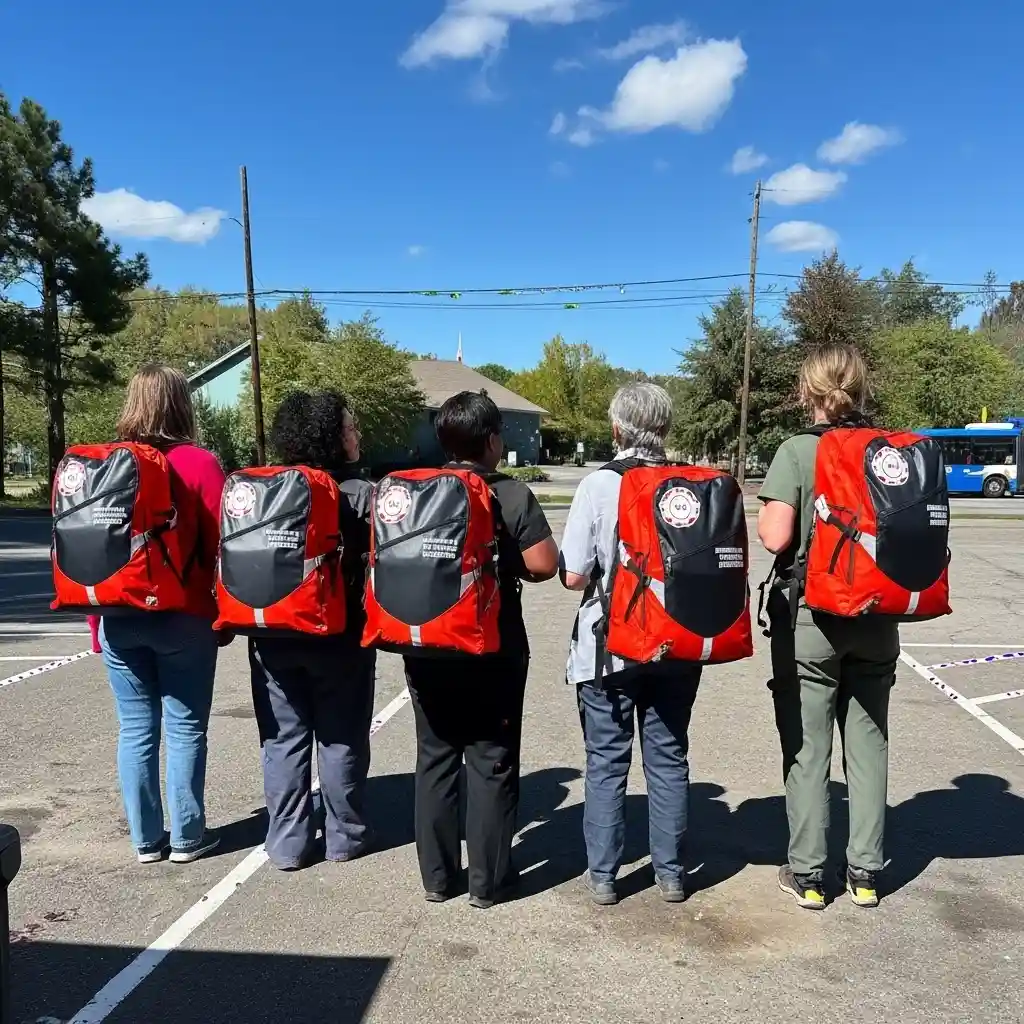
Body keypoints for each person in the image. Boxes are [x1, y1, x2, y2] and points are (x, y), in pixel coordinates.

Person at [404, 391, 558, 909]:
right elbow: (543, 565)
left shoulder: (419, 491)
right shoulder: (509, 493)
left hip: (426, 640)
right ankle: (488, 884)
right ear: (492, 440)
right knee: (491, 758)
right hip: (493, 644)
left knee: (435, 757)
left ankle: (437, 878)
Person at [758, 344, 898, 910]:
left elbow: (774, 536)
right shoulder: (890, 451)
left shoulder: (798, 451)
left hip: (814, 618)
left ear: (806, 392)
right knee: (869, 745)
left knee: (808, 747)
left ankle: (810, 876)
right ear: (861, 388)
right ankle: (865, 873)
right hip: (878, 616)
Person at [559, 383, 701, 906]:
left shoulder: (598, 485)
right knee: (668, 757)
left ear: (617, 429)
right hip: (675, 640)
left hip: (610, 644)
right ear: (665, 429)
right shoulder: (688, 484)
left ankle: (604, 875)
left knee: (606, 761)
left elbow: (574, 576)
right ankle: (671, 873)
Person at [97, 364, 225, 864]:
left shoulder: (106, 464)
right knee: (186, 727)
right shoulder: (199, 463)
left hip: (118, 614)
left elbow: (89, 552)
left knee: (135, 729)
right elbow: (221, 545)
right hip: (184, 614)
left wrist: (96, 623)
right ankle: (188, 837)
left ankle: (146, 840)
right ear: (181, 404)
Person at [248, 391, 377, 870]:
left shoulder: (265, 490)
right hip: (339, 634)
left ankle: (288, 843)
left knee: (282, 739)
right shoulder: (359, 494)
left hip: (272, 631)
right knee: (342, 736)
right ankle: (345, 836)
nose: (356, 435)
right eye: (350, 428)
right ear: (332, 439)